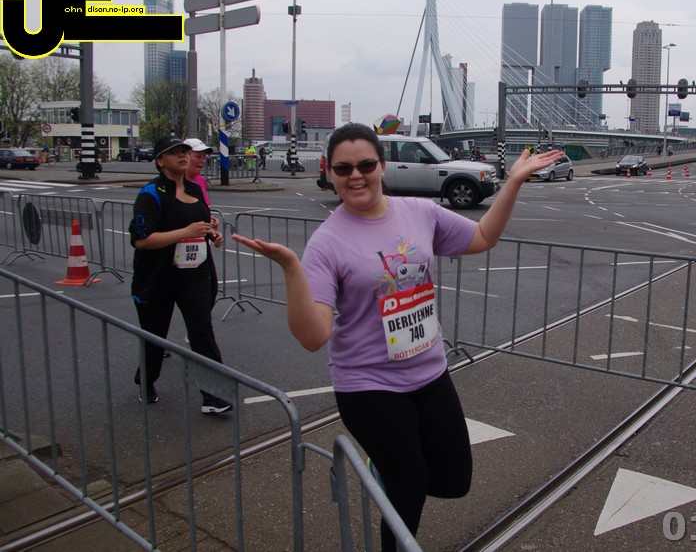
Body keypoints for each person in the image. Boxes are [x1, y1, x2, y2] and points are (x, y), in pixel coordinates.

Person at [232, 122, 564, 550]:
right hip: (369, 386)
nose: (356, 176)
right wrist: (292, 269)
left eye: (366, 165)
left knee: (454, 480)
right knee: (409, 487)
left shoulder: (419, 212)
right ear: (329, 171)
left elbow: (483, 236)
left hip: (429, 373)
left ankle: (383, 468)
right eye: (343, 168)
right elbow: (313, 337)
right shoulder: (326, 243)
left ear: (382, 166)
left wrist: (513, 182)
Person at [129, 136, 232, 414]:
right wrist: (185, 233)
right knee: (154, 335)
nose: (183, 156)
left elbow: (200, 225)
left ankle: (214, 395)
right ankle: (146, 380)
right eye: (174, 152)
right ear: (160, 161)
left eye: (185, 151)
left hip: (194, 274)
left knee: (202, 332)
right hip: (158, 275)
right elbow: (141, 240)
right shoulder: (151, 193)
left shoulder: (195, 189)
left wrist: (212, 234)